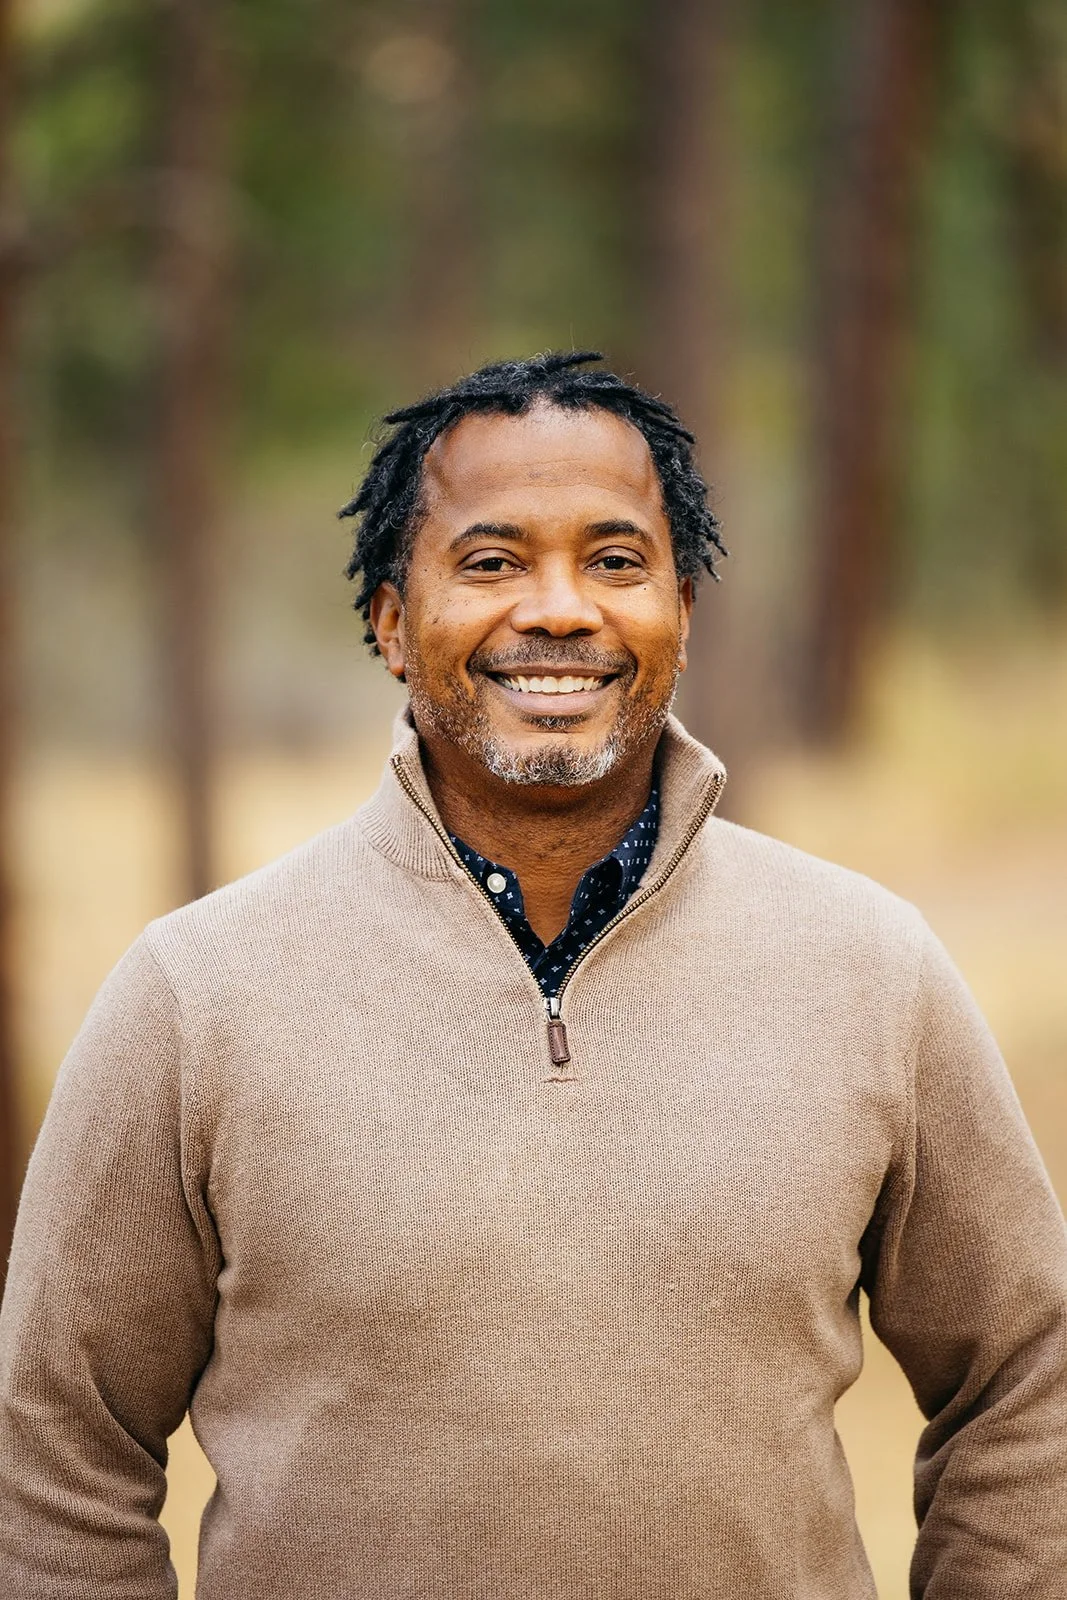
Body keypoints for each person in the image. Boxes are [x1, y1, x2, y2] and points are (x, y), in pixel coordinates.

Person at [1, 350, 1064, 1599]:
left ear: (682, 615)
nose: (559, 609)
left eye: (614, 562)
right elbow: (58, 1459)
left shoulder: (871, 969)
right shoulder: (196, 993)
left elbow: (1024, 1385)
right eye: (492, 561)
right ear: (392, 622)